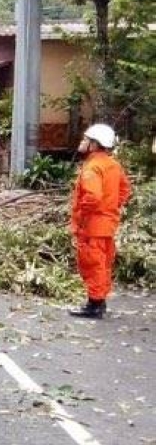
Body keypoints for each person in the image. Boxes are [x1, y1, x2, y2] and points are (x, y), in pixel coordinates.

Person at [69, 123, 132, 319]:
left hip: (92, 225)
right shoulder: (113, 164)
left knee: (92, 263)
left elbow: (93, 197)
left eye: (86, 139)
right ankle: (99, 301)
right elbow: (124, 190)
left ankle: (94, 305)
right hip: (107, 224)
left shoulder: (92, 167)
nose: (82, 141)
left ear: (95, 145)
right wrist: (110, 207)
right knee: (103, 263)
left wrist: (80, 216)